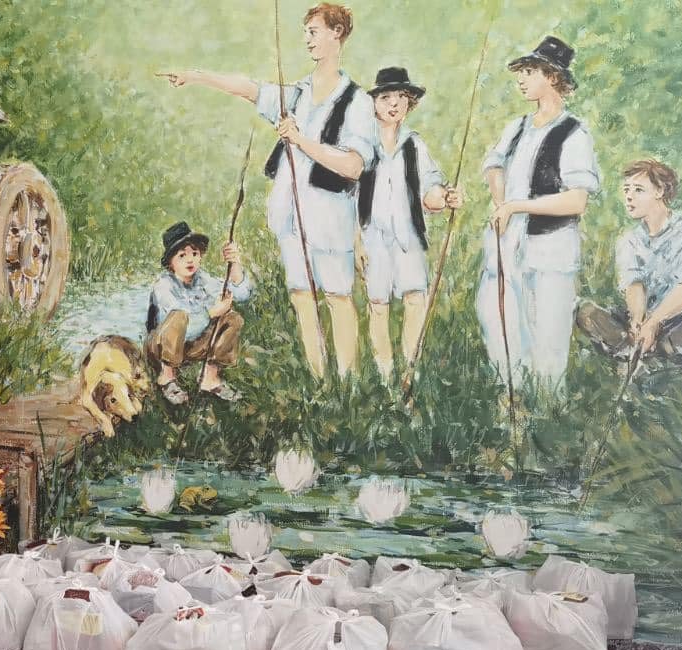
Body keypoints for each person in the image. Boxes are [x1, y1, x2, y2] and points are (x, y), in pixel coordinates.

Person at [162, 3, 374, 379]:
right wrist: (194, 76)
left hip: (330, 221)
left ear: (337, 33)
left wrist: (300, 140)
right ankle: (319, 380)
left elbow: (354, 166)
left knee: (338, 298)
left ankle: (348, 384)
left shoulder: (357, 101)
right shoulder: (298, 95)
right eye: (305, 32)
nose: (307, 39)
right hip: (290, 218)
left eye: (313, 31)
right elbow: (250, 89)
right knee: (302, 297)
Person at [478, 36, 600, 392]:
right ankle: (510, 396)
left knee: (548, 333)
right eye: (521, 72)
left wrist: (516, 206)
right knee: (500, 321)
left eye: (529, 72)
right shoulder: (517, 128)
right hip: (508, 242)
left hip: (550, 246)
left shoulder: (573, 133)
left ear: (552, 76)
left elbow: (576, 201)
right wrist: (501, 201)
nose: (521, 79)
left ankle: (547, 406)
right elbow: (494, 164)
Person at [576, 159, 682, 363]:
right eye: (626, 190)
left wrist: (654, 323)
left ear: (659, 191)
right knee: (585, 311)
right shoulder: (629, 240)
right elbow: (634, 284)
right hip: (642, 316)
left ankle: (655, 349)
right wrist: (638, 321)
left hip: (680, 318)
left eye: (638, 190)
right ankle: (636, 346)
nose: (629, 196)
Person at [357, 66, 463, 381]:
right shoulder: (362, 145)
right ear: (374, 103)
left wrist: (445, 197)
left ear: (410, 103)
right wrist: (355, 240)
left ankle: (409, 369)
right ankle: (384, 372)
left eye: (401, 97)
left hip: (408, 236)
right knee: (378, 302)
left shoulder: (415, 145)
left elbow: (429, 192)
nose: (394, 104)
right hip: (373, 235)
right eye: (386, 97)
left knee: (415, 298)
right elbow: (348, 196)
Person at [144, 221, 253, 404]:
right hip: (163, 348)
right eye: (182, 255)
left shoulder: (203, 280)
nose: (190, 260)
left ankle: (210, 378)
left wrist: (234, 263)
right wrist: (211, 313)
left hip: (193, 346)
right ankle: (167, 378)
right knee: (179, 316)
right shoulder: (164, 286)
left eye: (194, 253)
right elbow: (184, 328)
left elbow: (242, 294)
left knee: (232, 318)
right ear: (170, 263)